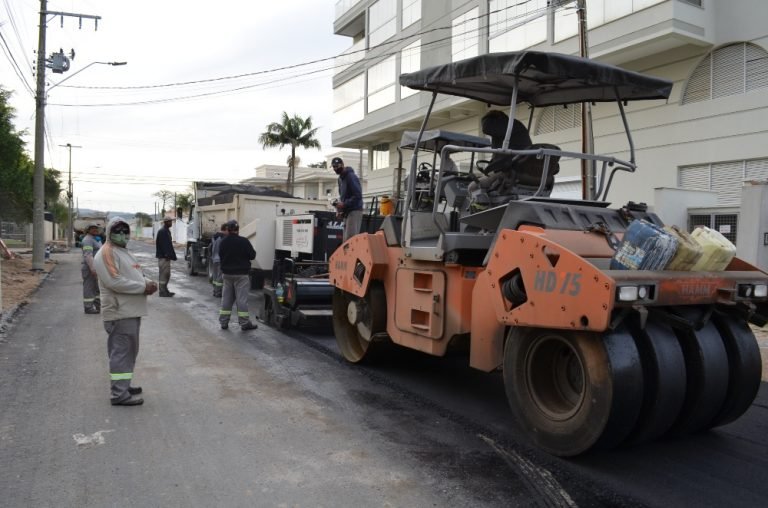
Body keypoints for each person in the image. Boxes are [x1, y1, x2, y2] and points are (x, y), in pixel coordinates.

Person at [93, 217, 158, 406]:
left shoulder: (121, 251)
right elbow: (114, 282)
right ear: (109, 233)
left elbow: (134, 275)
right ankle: (119, 394)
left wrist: (147, 283)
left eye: (125, 231)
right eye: (117, 231)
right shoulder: (106, 252)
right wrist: (143, 288)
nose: (122, 235)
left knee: (129, 351)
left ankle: (123, 384)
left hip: (129, 310)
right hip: (119, 312)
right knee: (121, 352)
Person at [218, 220, 258, 331]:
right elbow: (252, 255)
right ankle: (244, 323)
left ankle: (224, 322)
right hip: (241, 275)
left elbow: (220, 255)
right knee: (241, 300)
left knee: (226, 299)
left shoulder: (223, 242)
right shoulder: (244, 241)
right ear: (237, 229)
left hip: (227, 275)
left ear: (228, 229)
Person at [331, 157, 363, 241]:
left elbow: (358, 195)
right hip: (347, 211)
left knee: (350, 240)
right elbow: (343, 197)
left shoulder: (351, 176)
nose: (335, 169)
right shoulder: (340, 179)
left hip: (355, 210)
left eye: (337, 166)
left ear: (342, 165)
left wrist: (344, 204)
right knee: (345, 241)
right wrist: (340, 210)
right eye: (333, 167)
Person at [81, 223, 103, 314]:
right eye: (92, 228)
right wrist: (92, 269)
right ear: (88, 230)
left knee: (96, 288)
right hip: (89, 267)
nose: (95, 230)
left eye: (96, 228)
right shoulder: (87, 240)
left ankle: (97, 305)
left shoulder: (95, 239)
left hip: (96, 267)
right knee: (89, 287)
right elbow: (88, 255)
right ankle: (88, 307)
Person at [155, 215, 177, 297]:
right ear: (166, 222)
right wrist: (167, 254)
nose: (171, 223)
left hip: (166, 257)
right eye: (170, 221)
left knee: (167, 274)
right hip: (163, 257)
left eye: (171, 221)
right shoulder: (162, 231)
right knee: (163, 275)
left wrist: (172, 255)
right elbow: (164, 245)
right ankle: (162, 292)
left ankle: (165, 290)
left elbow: (169, 245)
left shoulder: (166, 231)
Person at [210, 223, 228, 298]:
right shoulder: (224, 238)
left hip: (214, 258)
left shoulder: (215, 236)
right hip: (220, 259)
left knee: (215, 276)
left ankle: (214, 290)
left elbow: (210, 247)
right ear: (225, 229)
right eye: (228, 230)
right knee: (220, 277)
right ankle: (218, 292)